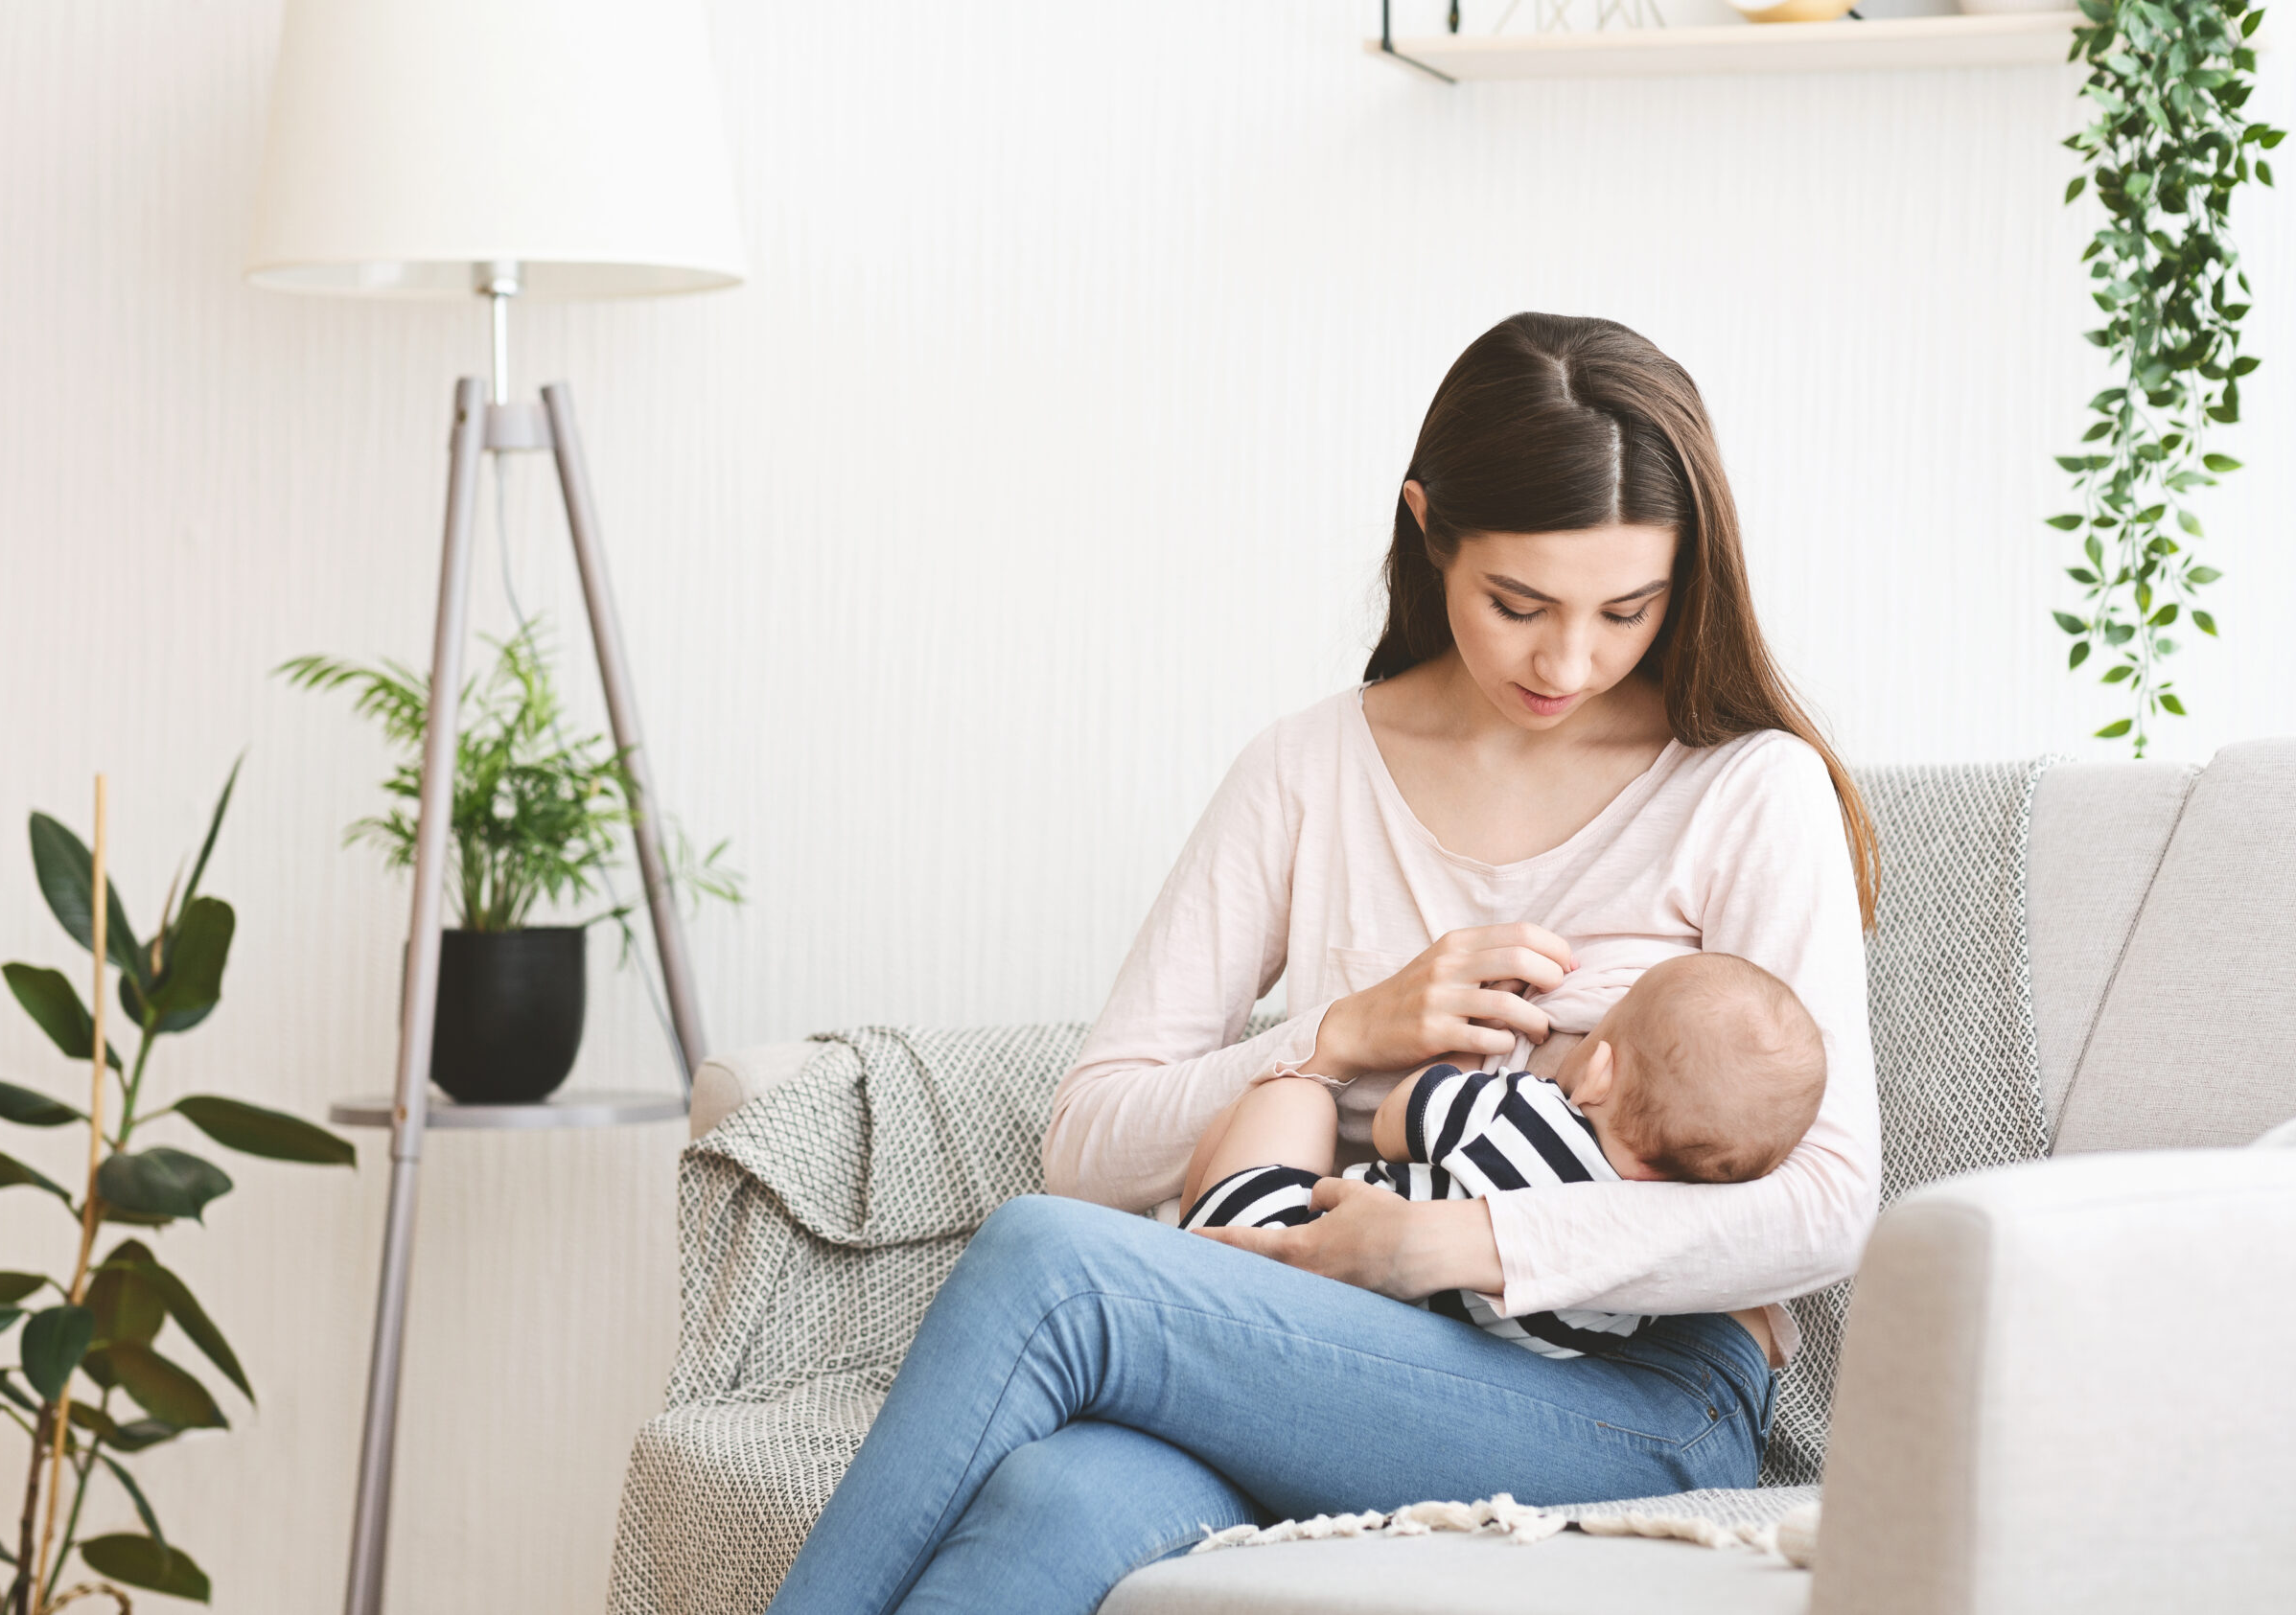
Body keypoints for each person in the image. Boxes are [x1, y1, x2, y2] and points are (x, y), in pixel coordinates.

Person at [763, 312, 1881, 1615]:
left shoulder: (1747, 789)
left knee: (1049, 1266)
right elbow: (1089, 1141)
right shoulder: (1305, 770)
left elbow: (1824, 1205)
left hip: (1630, 1391)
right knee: (1053, 1501)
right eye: (1518, 603)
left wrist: (1454, 1239)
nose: (1568, 660)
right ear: (1427, 530)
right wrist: (1337, 1035)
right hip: (1318, 1336)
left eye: (1627, 610)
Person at [1178, 950, 1829, 1360]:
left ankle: (1187, 1238)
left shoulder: (1525, 1112)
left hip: (1292, 1256)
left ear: (1597, 1072)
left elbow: (1393, 1122)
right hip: (1400, 1347)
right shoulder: (1637, 1282)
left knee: (1292, 1095)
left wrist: (1470, 1061)